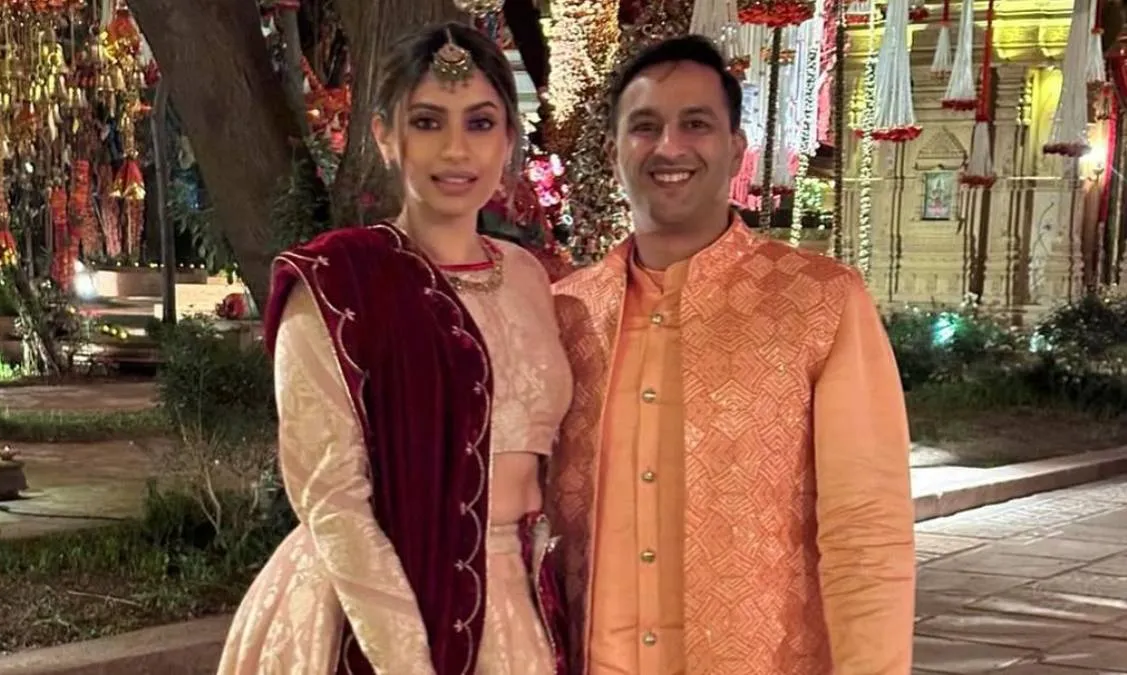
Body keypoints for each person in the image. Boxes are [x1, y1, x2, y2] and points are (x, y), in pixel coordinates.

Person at [548, 35, 916, 674]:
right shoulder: (561, 315)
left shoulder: (818, 302)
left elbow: (866, 531)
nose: (669, 146)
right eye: (645, 126)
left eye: (696, 124)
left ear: (736, 149)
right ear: (613, 152)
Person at [218, 23, 571, 675]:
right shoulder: (341, 283)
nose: (456, 149)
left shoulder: (529, 276)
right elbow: (332, 499)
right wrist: (407, 661)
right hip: (378, 606)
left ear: (508, 139)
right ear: (384, 135)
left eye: (480, 122)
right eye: (428, 122)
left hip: (520, 604)